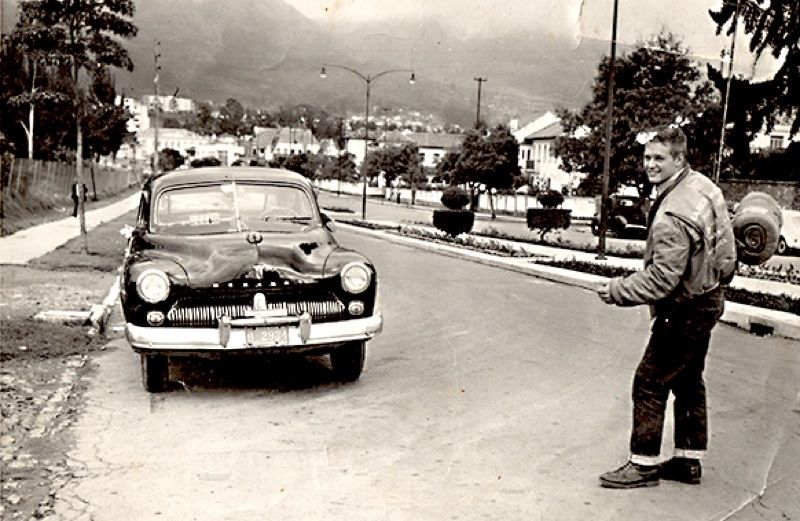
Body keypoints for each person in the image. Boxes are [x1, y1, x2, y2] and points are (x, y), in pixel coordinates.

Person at [596, 125, 736, 489]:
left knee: (649, 382)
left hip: (684, 307)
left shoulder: (673, 213)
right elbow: (727, 249)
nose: (650, 165)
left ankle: (642, 465)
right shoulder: (703, 187)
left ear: (679, 158)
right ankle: (689, 461)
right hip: (709, 297)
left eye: (659, 158)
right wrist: (717, 283)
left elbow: (662, 279)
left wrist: (617, 290)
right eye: (647, 157)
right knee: (688, 379)